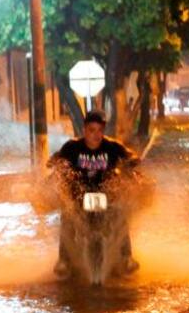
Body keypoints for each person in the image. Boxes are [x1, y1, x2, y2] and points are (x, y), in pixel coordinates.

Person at [47, 111, 138, 278]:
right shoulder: (72, 147)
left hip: (107, 196)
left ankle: (127, 257)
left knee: (120, 213)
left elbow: (130, 154)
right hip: (79, 197)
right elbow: (57, 158)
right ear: (84, 130)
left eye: (99, 130)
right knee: (66, 216)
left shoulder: (112, 146)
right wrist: (54, 163)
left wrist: (131, 161)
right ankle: (63, 261)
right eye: (91, 130)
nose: (96, 135)